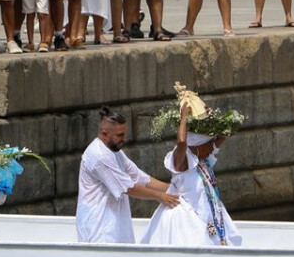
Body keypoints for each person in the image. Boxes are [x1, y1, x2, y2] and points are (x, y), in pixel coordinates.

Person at [141, 101, 240, 246]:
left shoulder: (205, 160)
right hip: (185, 222)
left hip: (207, 218)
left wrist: (211, 118)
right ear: (198, 146)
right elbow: (182, 142)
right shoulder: (182, 163)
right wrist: (184, 118)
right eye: (209, 145)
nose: (213, 148)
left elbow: (223, 134)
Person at [76, 107, 179, 244]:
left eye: (124, 134)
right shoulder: (99, 156)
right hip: (99, 229)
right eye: (119, 135)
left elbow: (140, 177)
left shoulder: (115, 151)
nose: (124, 139)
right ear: (104, 134)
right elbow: (127, 187)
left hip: (115, 225)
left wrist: (173, 188)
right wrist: (160, 196)